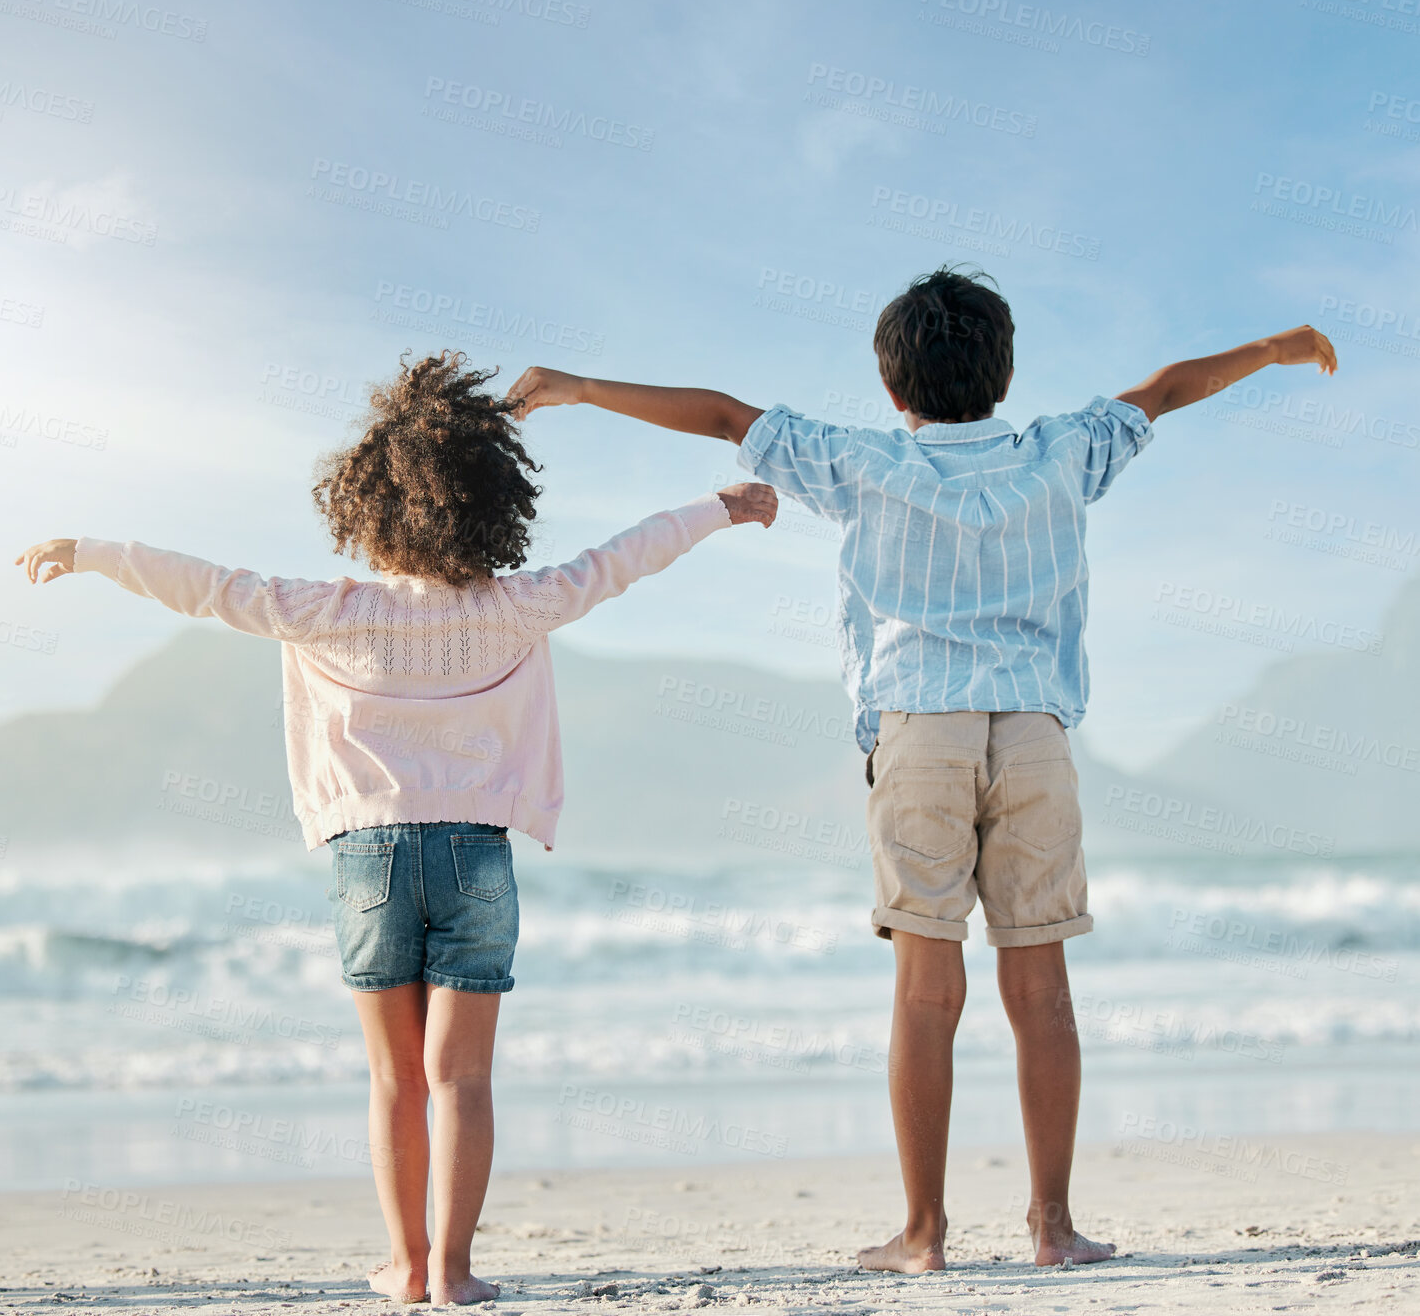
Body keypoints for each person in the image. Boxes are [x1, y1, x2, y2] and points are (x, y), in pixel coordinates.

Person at [506, 268, 1337, 1271]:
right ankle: (1053, 1226)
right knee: (1041, 988)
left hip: (918, 735)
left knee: (924, 989)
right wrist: (1271, 349)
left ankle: (924, 1232)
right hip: (1033, 734)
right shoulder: (1063, 449)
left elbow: (725, 413)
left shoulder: (859, 461)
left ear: (893, 387)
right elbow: (1163, 389)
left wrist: (581, 386)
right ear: (1007, 371)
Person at [16, 350, 778, 1305]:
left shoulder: (324, 612)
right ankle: (457, 1271)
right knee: (461, 1077)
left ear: (367, 505)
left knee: (394, 1080)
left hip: (368, 857)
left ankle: (407, 1267)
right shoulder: (518, 605)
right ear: (490, 504)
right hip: (477, 856)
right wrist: (720, 508)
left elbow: (205, 584)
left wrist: (91, 551)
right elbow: (621, 558)